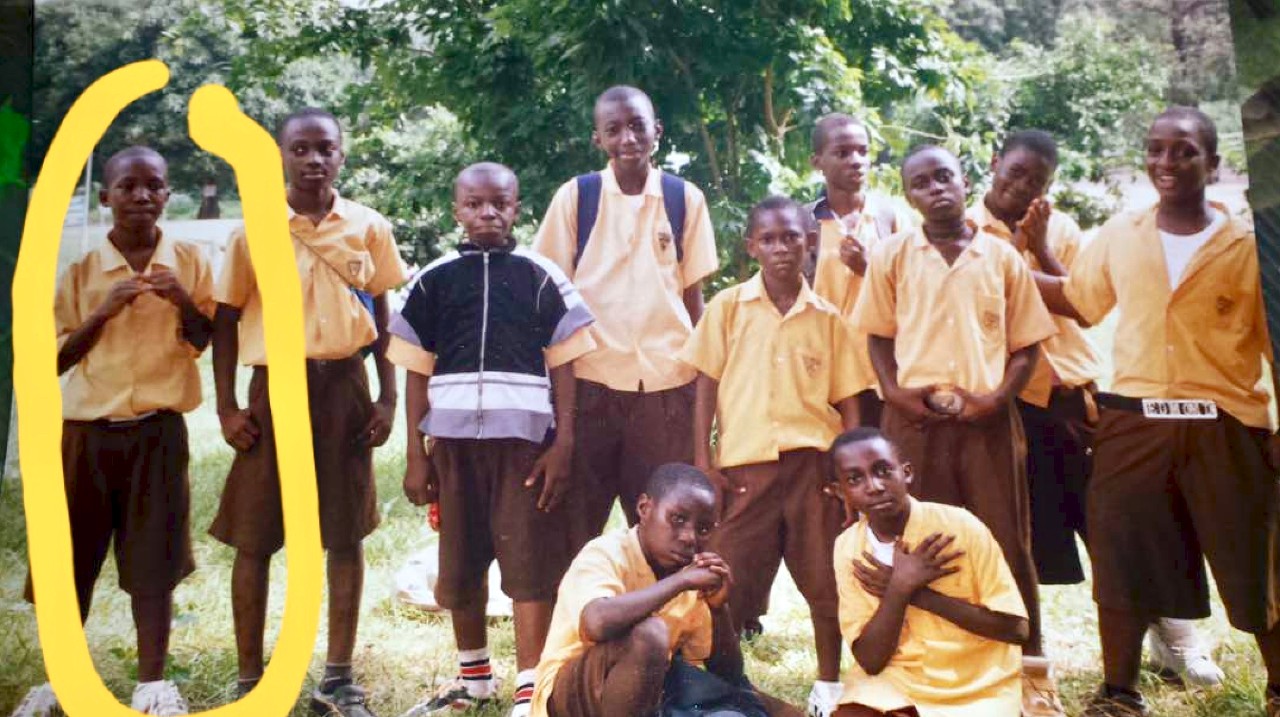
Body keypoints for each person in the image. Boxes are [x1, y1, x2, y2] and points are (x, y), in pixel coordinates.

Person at [1032, 107, 1280, 717]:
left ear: (1212, 163)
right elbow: (1081, 302)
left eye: (1185, 151)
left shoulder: (1248, 247)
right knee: (1119, 553)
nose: (1167, 162)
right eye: (1156, 149)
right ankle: (1118, 694)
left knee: (1254, 563)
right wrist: (1009, 263)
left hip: (1224, 425)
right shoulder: (1120, 233)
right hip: (1134, 422)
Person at [971, 129, 1224, 690]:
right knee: (1017, 536)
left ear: (1049, 187)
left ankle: (1176, 638)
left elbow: (1085, 307)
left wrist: (1038, 247)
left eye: (1035, 181)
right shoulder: (962, 233)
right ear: (993, 165)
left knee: (1124, 524)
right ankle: (1024, 658)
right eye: (1012, 173)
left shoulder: (1060, 229)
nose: (1020, 187)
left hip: (1074, 400)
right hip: (1009, 402)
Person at [209, 107, 408, 717]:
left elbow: (381, 320)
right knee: (256, 536)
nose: (314, 160)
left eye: (326, 148)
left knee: (343, 534)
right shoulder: (254, 230)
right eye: (301, 149)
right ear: (283, 157)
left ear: (342, 156)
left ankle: (338, 680)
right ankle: (251, 682)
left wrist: (386, 395)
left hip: (343, 388)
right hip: (277, 393)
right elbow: (223, 319)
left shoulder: (368, 226)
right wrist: (226, 407)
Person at [850, 144, 1061, 715]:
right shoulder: (893, 255)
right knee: (920, 543)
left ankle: (1031, 673)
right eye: (921, 182)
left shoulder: (1000, 256)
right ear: (909, 193)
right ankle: (931, 666)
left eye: (945, 176)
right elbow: (877, 334)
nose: (936, 189)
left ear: (966, 180)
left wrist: (996, 398)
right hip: (912, 421)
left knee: (1005, 540)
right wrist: (893, 393)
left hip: (987, 419)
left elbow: (1026, 342)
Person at [11, 146, 214, 717]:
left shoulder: (190, 262)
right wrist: (102, 311)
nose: (142, 196)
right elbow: (48, 360)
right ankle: (60, 681)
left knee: (154, 563)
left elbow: (203, 340)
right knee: (68, 560)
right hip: (87, 433)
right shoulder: (81, 271)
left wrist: (180, 301)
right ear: (105, 197)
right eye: (128, 186)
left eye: (154, 186)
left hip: (158, 431)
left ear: (167, 194)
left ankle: (152, 684)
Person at [390, 163, 595, 717]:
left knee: (528, 563)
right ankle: (474, 677)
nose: (488, 214)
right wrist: (416, 453)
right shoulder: (433, 279)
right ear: (456, 210)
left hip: (524, 447)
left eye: (499, 204)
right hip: (453, 449)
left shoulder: (540, 275)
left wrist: (564, 444)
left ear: (516, 208)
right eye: (475, 204)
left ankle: (531, 687)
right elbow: (415, 368)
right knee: (459, 561)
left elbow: (566, 367)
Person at [679, 195, 867, 717]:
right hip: (745, 469)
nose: (781, 248)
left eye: (792, 237)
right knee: (725, 577)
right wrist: (704, 461)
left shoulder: (830, 318)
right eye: (769, 239)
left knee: (826, 580)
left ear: (810, 243)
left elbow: (850, 400)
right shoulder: (728, 308)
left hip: (814, 470)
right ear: (751, 247)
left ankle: (829, 685)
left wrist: (849, 475)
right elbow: (706, 383)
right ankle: (723, 685)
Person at [531, 85, 719, 552]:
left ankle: (661, 619)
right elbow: (550, 293)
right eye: (613, 129)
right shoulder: (578, 197)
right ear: (598, 139)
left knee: (666, 526)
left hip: (667, 388)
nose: (628, 138)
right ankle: (582, 618)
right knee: (577, 523)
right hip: (592, 384)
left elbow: (692, 296)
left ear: (657, 130)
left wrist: (701, 384)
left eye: (637, 126)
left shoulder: (683, 198)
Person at [530, 463, 800, 717]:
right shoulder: (607, 553)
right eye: (678, 519)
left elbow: (728, 673)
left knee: (782, 712)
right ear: (644, 508)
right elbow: (596, 622)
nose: (689, 537)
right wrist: (680, 583)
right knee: (650, 635)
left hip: (652, 693)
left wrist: (719, 609)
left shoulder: (689, 572)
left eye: (703, 529)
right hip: (571, 696)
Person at [829, 427, 1028, 717]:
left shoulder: (960, 526)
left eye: (883, 471)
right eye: (855, 479)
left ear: (906, 473)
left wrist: (919, 595)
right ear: (840, 491)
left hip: (976, 681)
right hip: (898, 680)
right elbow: (871, 661)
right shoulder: (848, 548)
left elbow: (1017, 630)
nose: (874, 486)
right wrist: (898, 589)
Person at [806, 113, 914, 427]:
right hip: (826, 374)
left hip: (881, 373)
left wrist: (870, 269)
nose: (856, 161)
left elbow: (918, 292)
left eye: (863, 152)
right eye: (842, 153)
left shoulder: (891, 218)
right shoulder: (803, 222)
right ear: (818, 162)